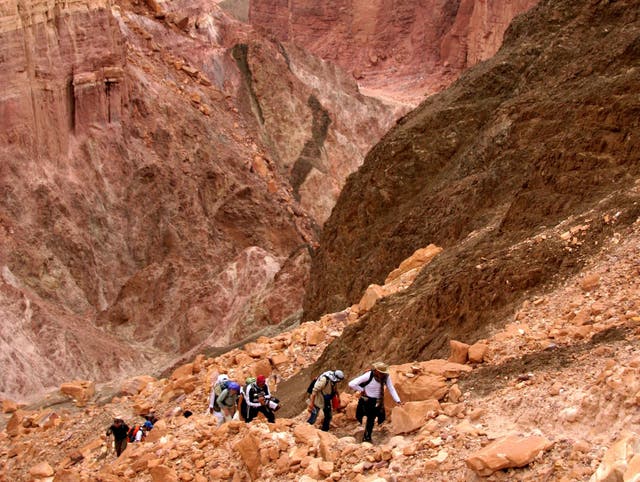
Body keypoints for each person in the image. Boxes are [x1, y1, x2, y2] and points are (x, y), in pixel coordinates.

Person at [348, 362, 403, 443]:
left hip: (378, 400)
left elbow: (391, 388)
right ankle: (367, 438)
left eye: (383, 373)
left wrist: (398, 400)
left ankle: (367, 435)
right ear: (376, 371)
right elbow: (352, 384)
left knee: (375, 418)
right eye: (381, 372)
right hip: (368, 400)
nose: (382, 374)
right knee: (370, 419)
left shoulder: (386, 377)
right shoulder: (368, 375)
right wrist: (362, 390)